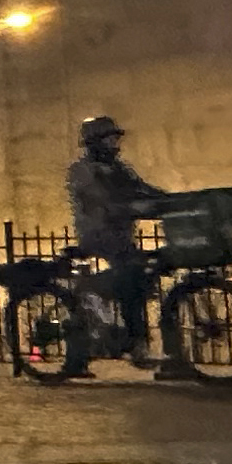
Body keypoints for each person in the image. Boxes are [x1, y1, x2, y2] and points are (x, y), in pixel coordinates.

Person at [66, 114, 166, 370]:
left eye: (115, 139)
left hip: (120, 238)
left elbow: (140, 187)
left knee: (143, 275)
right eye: (109, 139)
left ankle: (130, 335)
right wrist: (138, 207)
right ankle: (135, 344)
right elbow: (108, 201)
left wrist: (169, 201)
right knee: (130, 280)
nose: (115, 145)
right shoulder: (83, 171)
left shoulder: (119, 168)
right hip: (98, 237)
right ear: (95, 143)